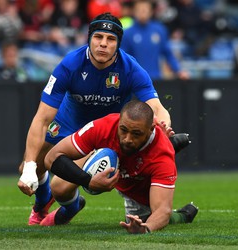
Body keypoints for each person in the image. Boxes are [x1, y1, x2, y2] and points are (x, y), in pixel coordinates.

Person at [17, 12, 188, 226]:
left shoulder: (131, 69)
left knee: (60, 185)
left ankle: (68, 207)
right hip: (68, 125)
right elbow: (42, 119)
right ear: (89, 38)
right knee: (27, 167)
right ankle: (42, 206)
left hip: (105, 134)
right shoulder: (69, 65)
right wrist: (32, 166)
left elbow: (157, 109)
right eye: (98, 37)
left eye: (111, 39)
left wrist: (162, 128)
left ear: (118, 44)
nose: (103, 44)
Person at [42, 100, 198, 233]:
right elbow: (51, 158)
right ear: (119, 121)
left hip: (136, 183)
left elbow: (162, 211)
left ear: (151, 129)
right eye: (123, 130)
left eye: (136, 133)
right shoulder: (105, 125)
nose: (127, 139)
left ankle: (183, 215)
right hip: (108, 159)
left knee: (142, 220)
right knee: (58, 187)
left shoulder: (162, 156)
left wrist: (146, 228)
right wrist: (87, 181)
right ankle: (70, 209)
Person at [120, 0, 189, 80]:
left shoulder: (159, 30)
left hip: (156, 78)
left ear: (151, 12)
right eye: (139, 10)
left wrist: (178, 70)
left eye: (145, 10)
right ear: (134, 12)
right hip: (135, 80)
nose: (143, 12)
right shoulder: (127, 33)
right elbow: (123, 58)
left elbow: (168, 53)